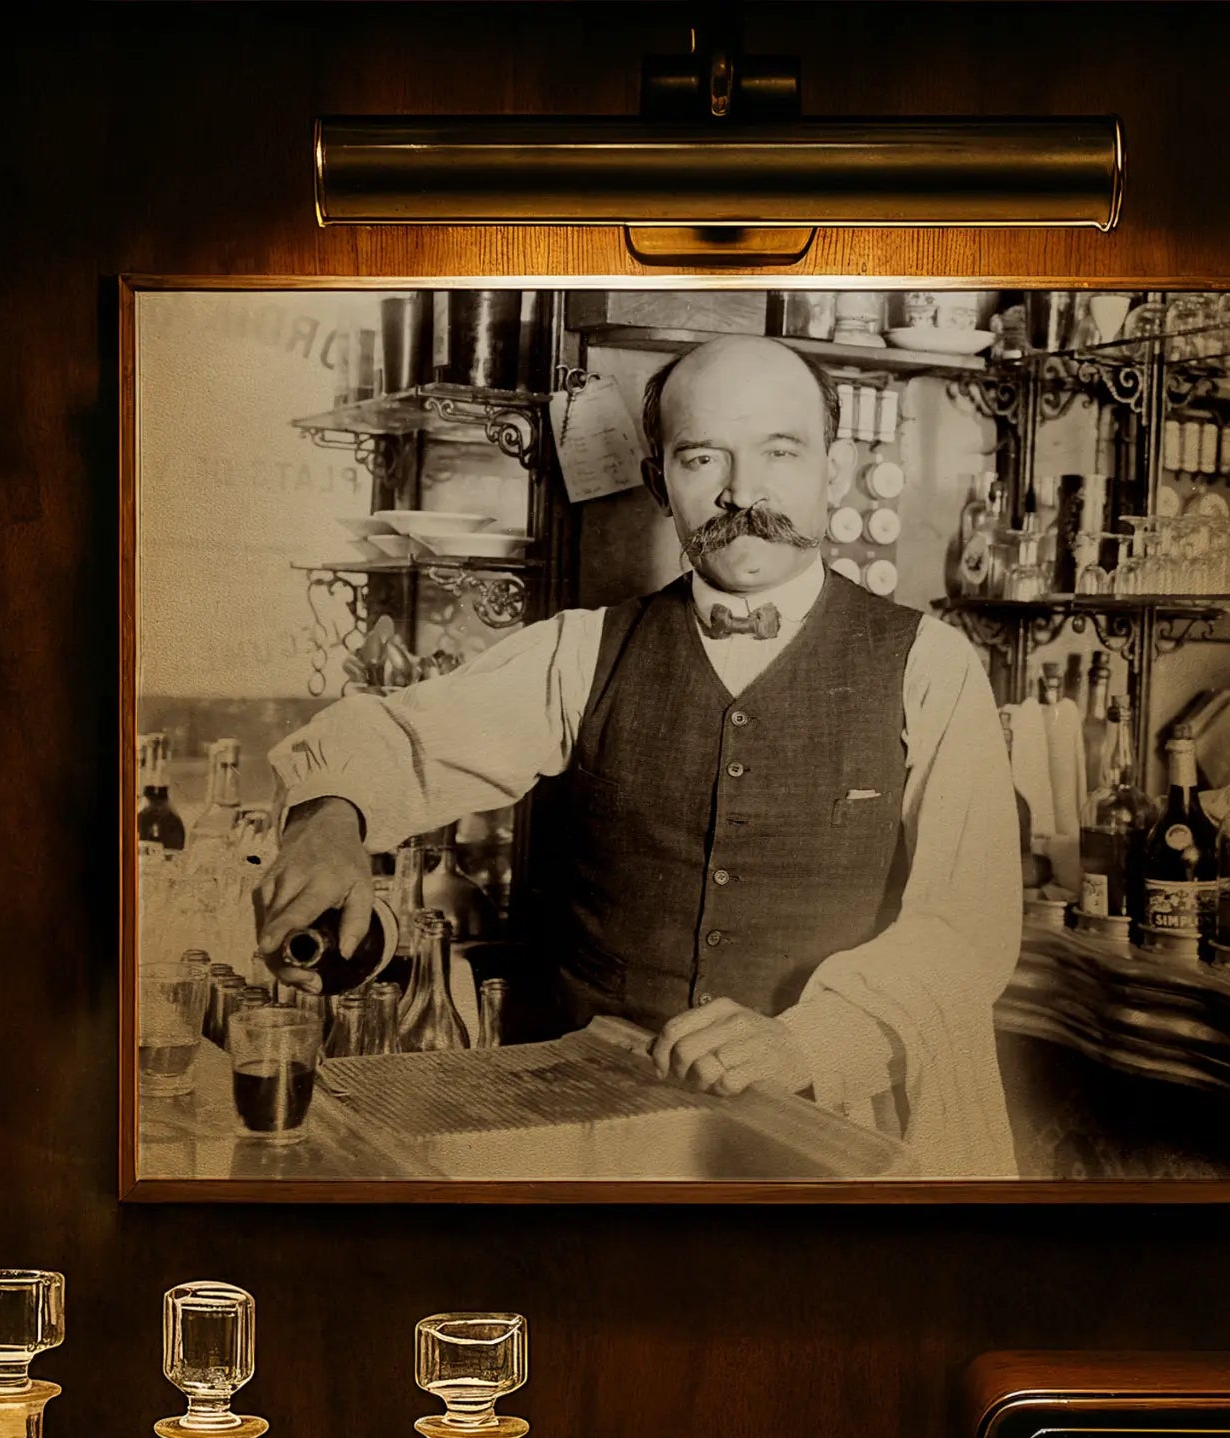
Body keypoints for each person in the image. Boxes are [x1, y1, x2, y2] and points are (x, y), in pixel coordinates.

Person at [257, 334, 1022, 1175]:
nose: (743, 491)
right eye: (702, 458)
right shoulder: (581, 652)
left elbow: (966, 930)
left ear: (832, 471)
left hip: (820, 1132)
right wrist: (330, 813)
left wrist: (807, 1042)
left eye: (781, 451)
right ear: (660, 483)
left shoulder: (929, 665)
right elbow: (400, 739)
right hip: (596, 1126)